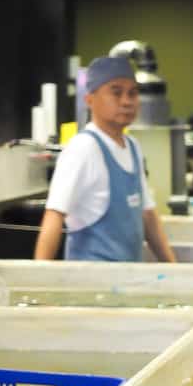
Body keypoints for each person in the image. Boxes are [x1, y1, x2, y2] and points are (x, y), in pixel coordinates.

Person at [33, 56, 176, 262]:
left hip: (127, 282)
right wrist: (40, 279)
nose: (127, 101)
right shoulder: (83, 148)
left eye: (133, 93)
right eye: (116, 92)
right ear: (90, 99)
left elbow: (147, 215)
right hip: (91, 286)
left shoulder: (133, 146)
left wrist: (173, 268)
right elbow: (54, 216)